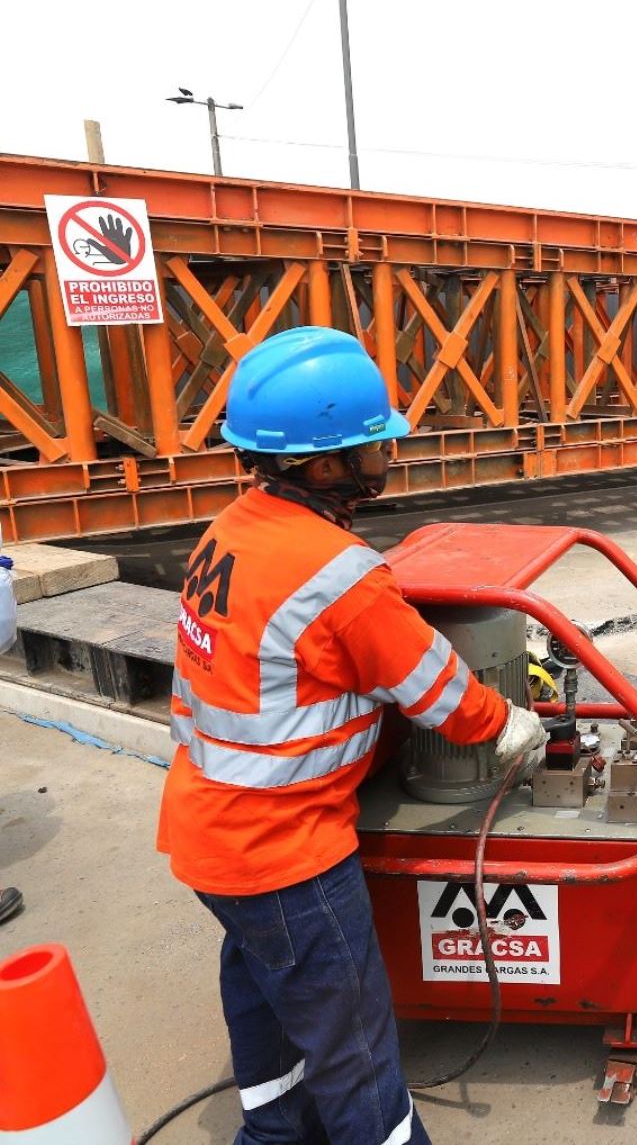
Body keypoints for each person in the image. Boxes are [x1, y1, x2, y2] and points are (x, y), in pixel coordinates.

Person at [157, 326, 549, 1144]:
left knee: (263, 992)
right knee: (358, 1054)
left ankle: (268, 1132)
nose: (387, 454)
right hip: (285, 852)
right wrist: (511, 722)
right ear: (326, 463)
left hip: (209, 834)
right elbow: (443, 693)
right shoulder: (343, 577)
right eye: (374, 443)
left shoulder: (230, 530)